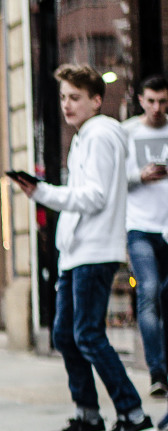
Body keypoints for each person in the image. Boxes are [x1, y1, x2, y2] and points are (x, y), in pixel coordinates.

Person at [10, 64, 157, 431]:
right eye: (62, 97)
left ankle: (133, 415)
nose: (66, 105)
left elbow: (95, 196)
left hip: (94, 251)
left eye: (75, 97)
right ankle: (88, 416)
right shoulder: (86, 137)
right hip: (77, 252)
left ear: (96, 99)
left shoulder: (100, 134)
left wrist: (42, 192)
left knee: (88, 335)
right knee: (66, 334)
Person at [122, 75, 168, 402]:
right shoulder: (126, 133)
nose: (157, 108)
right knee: (148, 291)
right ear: (140, 100)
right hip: (138, 227)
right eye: (151, 101)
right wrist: (140, 175)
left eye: (163, 101)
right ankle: (157, 372)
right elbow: (110, 180)